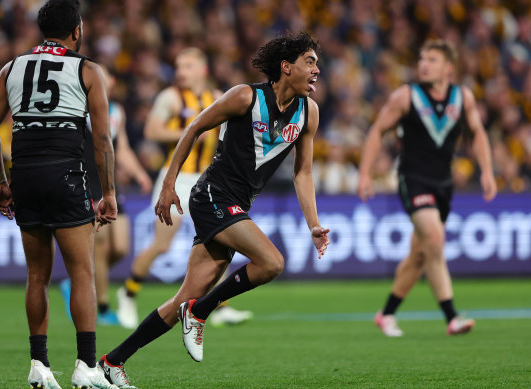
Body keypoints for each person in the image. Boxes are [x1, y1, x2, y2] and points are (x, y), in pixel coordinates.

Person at [96, 32, 330, 388]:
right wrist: (168, 184)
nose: (316, 69)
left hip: (236, 204)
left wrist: (313, 223)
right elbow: (193, 128)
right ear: (286, 67)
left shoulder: (308, 113)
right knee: (272, 263)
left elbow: (304, 172)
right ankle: (201, 312)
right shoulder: (245, 96)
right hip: (211, 196)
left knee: (183, 296)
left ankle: (111, 363)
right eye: (309, 62)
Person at [0, 1, 119, 388]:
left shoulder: (11, 67)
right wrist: (107, 191)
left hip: (25, 175)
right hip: (66, 174)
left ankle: (39, 365)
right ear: (76, 30)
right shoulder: (87, 69)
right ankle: (86, 367)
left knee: (36, 275)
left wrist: (0, 180)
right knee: (82, 273)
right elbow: (103, 139)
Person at [357, 39, 497, 337]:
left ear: (448, 68)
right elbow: (377, 131)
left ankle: (387, 314)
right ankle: (452, 316)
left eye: (431, 60)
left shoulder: (463, 98)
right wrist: (365, 173)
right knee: (434, 239)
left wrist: (487, 171)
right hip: (413, 179)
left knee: (420, 255)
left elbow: (478, 134)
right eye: (422, 59)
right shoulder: (406, 96)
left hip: (444, 185)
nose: (423, 64)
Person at [116, 47, 252, 329]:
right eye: (178, 66)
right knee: (162, 245)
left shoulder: (217, 97)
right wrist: (191, 131)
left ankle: (221, 306)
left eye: (187, 66)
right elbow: (152, 131)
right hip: (175, 178)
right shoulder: (170, 97)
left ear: (202, 70)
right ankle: (128, 293)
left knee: (221, 241)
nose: (180, 72)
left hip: (207, 181)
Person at [60, 66, 153, 327]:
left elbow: (120, 148)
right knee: (99, 246)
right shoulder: (80, 107)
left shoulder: (117, 111)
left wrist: (139, 173)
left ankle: (77, 281)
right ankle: (101, 306)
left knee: (120, 247)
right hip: (88, 181)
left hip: (110, 182)